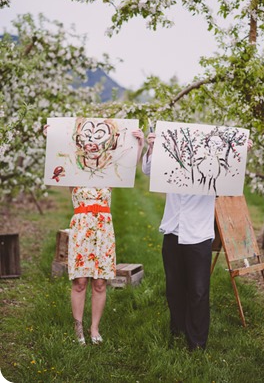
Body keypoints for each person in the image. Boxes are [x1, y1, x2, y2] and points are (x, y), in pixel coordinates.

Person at [142, 131, 252, 351]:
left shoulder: (212, 168)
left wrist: (241, 152)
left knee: (199, 290)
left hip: (198, 234)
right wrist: (153, 147)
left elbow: (231, 175)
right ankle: (178, 330)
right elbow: (148, 170)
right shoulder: (173, 162)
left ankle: (198, 342)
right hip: (173, 230)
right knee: (174, 287)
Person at [69, 128, 144, 345]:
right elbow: (57, 156)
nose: (92, 146)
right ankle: (78, 328)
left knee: (100, 283)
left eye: (96, 143)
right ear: (81, 147)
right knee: (80, 281)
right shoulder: (73, 171)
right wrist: (50, 135)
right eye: (87, 143)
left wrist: (138, 145)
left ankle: (94, 328)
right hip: (81, 228)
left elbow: (129, 167)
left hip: (103, 231)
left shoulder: (109, 172)